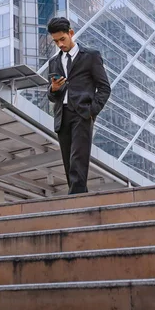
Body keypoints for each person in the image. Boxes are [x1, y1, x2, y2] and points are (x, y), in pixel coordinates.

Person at [47, 17, 111, 194]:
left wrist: (92, 111)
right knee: (69, 163)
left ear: (71, 33)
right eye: (56, 41)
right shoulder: (54, 62)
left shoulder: (90, 56)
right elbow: (52, 96)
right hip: (62, 116)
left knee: (78, 159)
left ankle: (76, 200)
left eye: (62, 39)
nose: (60, 44)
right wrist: (53, 89)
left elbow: (105, 88)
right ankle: (79, 196)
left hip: (82, 114)